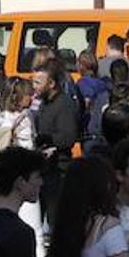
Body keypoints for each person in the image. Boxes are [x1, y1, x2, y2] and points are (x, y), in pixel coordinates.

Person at [32, 60, 80, 218]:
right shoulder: (44, 103)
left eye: (38, 82)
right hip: (43, 170)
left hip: (58, 172)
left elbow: (68, 137)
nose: (34, 86)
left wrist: (46, 139)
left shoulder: (65, 104)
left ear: (51, 83)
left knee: (56, 220)